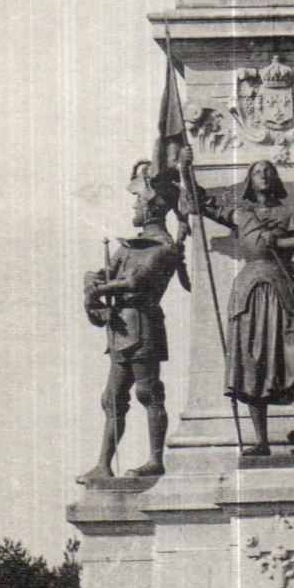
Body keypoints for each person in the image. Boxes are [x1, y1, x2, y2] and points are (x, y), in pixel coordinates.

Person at [191, 155, 294, 458]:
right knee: (251, 361)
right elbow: (199, 202)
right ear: (250, 182)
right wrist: (185, 166)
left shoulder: (290, 212)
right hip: (249, 292)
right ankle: (261, 440)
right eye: (257, 173)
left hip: (282, 289)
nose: (263, 175)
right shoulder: (241, 214)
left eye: (268, 172)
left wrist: (280, 243)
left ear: (274, 179)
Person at [77, 162, 189, 483]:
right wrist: (91, 286)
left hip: (144, 326)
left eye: (138, 200)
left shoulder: (163, 247)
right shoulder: (129, 246)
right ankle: (103, 464)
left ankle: (155, 459)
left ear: (152, 206)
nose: (134, 206)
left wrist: (100, 288)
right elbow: (101, 274)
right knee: (112, 398)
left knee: (147, 392)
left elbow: (136, 282)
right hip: (121, 329)